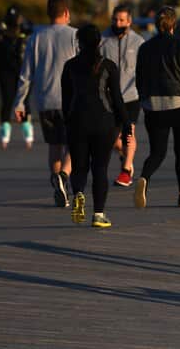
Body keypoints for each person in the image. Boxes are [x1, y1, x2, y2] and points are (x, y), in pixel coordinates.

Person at [134, 6, 180, 209]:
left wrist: (144, 101)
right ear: (173, 25)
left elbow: (139, 78)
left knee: (157, 152)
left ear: (157, 26)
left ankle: (144, 177)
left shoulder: (145, 48)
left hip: (154, 107)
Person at [62, 25, 131, 228]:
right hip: (104, 123)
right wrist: (126, 124)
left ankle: (79, 194)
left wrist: (68, 123)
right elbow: (117, 99)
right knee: (100, 168)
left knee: (80, 166)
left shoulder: (70, 66)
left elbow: (66, 101)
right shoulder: (108, 66)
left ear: (79, 43)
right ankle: (99, 215)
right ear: (99, 42)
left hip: (77, 122)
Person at [14, 0, 77, 208]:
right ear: (66, 13)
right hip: (70, 100)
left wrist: (20, 102)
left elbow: (26, 74)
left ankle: (58, 185)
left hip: (45, 101)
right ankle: (65, 177)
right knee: (74, 145)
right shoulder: (74, 36)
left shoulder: (36, 38)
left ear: (48, 14)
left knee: (54, 145)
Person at [100, 4, 145, 187]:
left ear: (129, 21)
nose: (117, 23)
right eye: (115, 19)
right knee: (111, 139)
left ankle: (126, 170)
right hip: (109, 98)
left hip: (131, 96)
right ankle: (125, 156)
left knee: (129, 133)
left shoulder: (138, 42)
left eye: (121, 20)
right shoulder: (103, 40)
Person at [0, 5, 34, 149]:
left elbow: (32, 33)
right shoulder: (0, 36)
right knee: (7, 101)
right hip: (5, 73)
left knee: (24, 102)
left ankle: (28, 135)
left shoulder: (25, 32)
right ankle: (5, 135)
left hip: (23, 72)